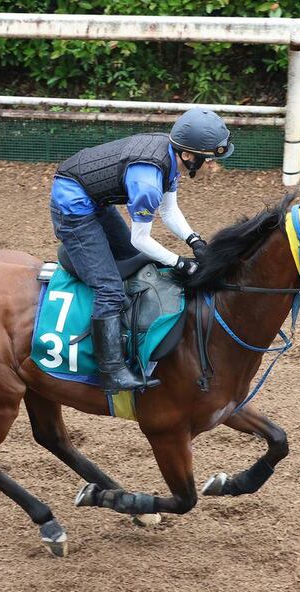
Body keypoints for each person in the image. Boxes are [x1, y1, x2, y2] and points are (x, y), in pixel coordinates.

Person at [49, 108, 235, 394]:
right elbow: (141, 240)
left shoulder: (171, 155)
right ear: (188, 155)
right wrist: (180, 263)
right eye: (208, 158)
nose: (211, 164)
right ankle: (111, 371)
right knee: (110, 288)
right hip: (73, 205)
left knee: (131, 264)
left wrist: (194, 241)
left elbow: (169, 210)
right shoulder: (147, 180)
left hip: (95, 198)